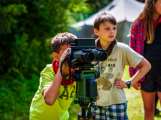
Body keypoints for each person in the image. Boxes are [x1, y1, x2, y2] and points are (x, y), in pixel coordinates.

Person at [91, 12, 151, 120]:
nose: (112, 31)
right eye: (107, 28)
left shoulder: (122, 48)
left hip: (117, 102)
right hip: (94, 103)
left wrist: (129, 82)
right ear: (96, 31)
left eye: (114, 28)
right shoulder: (89, 50)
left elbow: (146, 65)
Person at [29, 32, 77, 120]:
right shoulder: (48, 71)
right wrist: (61, 69)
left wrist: (87, 66)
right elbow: (50, 100)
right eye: (68, 51)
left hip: (61, 117)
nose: (73, 55)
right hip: (40, 117)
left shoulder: (77, 71)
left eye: (75, 50)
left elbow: (95, 96)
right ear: (56, 57)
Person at [129, 0, 161, 119]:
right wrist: (134, 77)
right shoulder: (138, 25)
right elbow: (132, 53)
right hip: (146, 74)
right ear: (152, 4)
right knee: (148, 108)